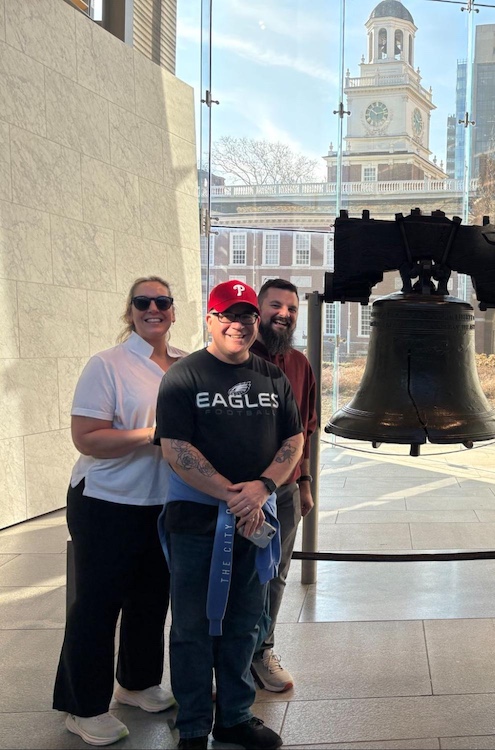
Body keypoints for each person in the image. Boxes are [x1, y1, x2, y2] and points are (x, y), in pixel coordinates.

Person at [156, 280, 304, 750]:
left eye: (246, 316)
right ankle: (194, 725)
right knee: (192, 627)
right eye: (228, 315)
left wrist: (262, 488)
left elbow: (294, 439)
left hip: (256, 519)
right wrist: (230, 494)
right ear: (210, 320)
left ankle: (236, 717)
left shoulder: (273, 377)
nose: (238, 324)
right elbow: (175, 447)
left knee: (245, 622)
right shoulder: (184, 376)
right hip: (197, 521)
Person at [53, 277, 185, 746]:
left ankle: (137, 683)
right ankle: (83, 706)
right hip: (106, 503)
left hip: (162, 503)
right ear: (129, 312)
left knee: (151, 598)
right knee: (98, 604)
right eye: (142, 301)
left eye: (162, 301)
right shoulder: (107, 364)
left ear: (173, 311)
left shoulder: (186, 364)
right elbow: (87, 437)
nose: (153, 308)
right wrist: (152, 434)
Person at [249, 279, 318, 693]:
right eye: (275, 305)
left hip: (287, 490)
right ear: (258, 310)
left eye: (291, 308)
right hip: (242, 491)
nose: (284, 314)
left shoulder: (299, 364)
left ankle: (263, 650)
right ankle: (232, 657)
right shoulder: (237, 359)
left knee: (276, 574)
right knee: (237, 576)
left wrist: (304, 482)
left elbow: (305, 429)